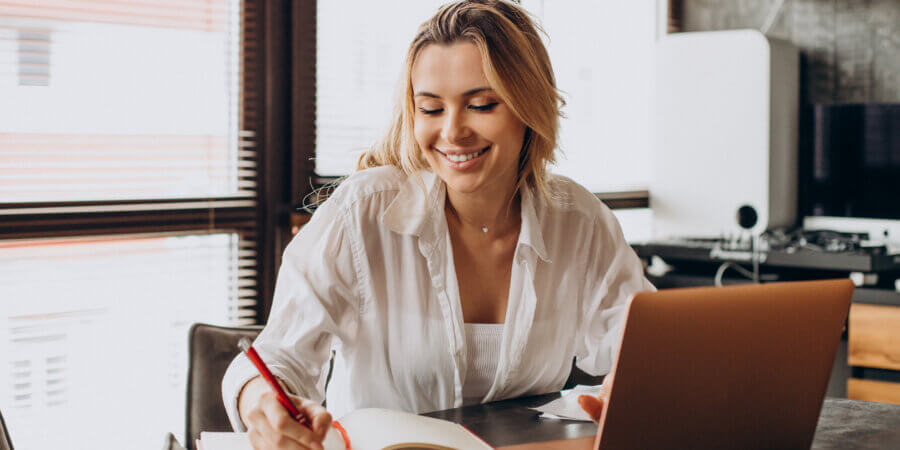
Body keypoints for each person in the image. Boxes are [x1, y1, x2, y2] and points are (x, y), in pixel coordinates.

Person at [221, 1, 654, 448]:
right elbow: (277, 356)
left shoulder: (579, 221)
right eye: (430, 109)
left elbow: (645, 350)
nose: (453, 132)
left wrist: (629, 387)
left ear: (529, 107)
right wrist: (263, 403)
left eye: (481, 105)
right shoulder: (362, 213)